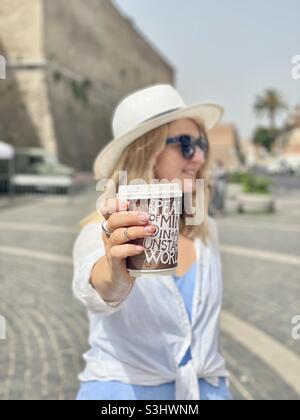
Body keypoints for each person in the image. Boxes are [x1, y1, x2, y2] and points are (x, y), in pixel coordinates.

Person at [73, 84, 232, 400]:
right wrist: (118, 274)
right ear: (145, 149)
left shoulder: (206, 230)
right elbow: (99, 287)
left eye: (201, 143)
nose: (199, 156)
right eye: (185, 144)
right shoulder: (99, 231)